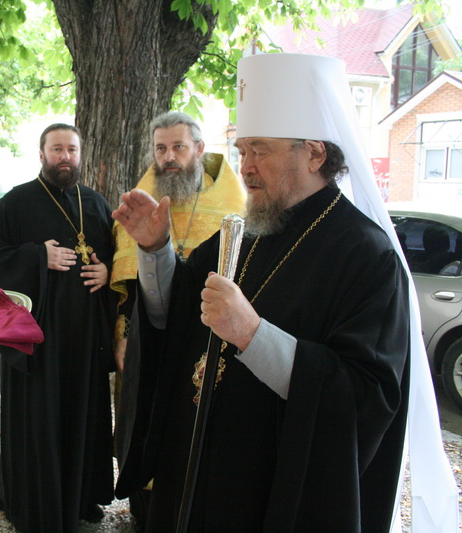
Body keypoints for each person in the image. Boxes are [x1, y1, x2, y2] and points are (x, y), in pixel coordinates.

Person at [112, 53, 457, 532]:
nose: (246, 167)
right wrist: (154, 249)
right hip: (198, 463)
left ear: (314, 154)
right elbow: (177, 312)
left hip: (276, 485)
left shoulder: (367, 256)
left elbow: (366, 396)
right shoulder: (247, 229)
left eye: (261, 151)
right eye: (243, 151)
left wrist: (252, 333)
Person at [0, 124, 116, 532]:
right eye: (57, 149)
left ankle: (79, 498)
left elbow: (116, 256)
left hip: (85, 336)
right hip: (38, 339)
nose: (65, 156)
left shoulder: (95, 203)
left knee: (82, 413)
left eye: (72, 149)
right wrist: (38, 257)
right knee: (41, 417)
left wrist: (107, 271)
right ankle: (36, 505)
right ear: (42, 155)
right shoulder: (17, 202)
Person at [110, 111, 245, 530]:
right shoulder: (144, 195)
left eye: (178, 147)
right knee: (146, 414)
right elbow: (128, 278)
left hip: (205, 337)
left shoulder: (232, 200)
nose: (168, 158)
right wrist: (124, 334)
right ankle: (144, 509)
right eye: (160, 149)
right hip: (149, 334)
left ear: (200, 150)